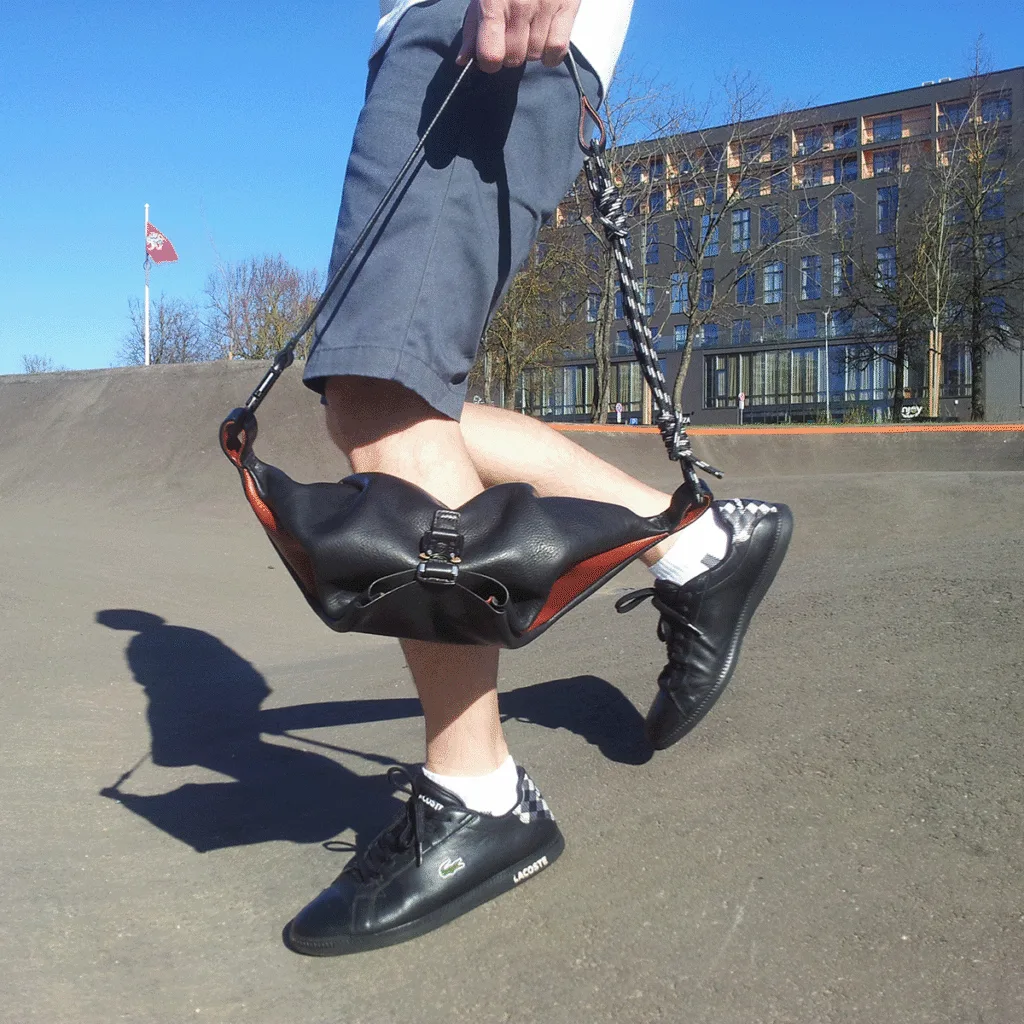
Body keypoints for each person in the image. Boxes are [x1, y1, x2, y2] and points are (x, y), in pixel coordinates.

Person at [284, 0, 792, 956]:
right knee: (384, 394)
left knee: (382, 390)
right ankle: (693, 542)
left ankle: (477, 796)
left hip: (472, 32)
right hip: (432, 39)